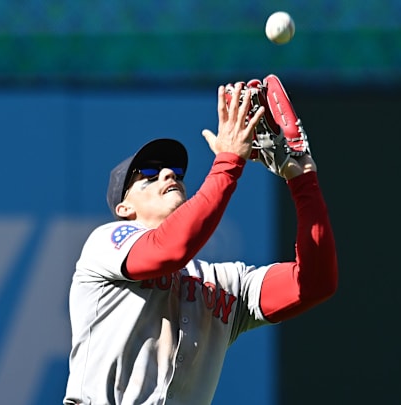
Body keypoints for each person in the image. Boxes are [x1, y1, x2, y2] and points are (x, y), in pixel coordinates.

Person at [63, 82, 338, 405]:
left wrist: (302, 179)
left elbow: (314, 283)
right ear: (124, 209)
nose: (168, 174)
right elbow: (169, 251)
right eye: (148, 174)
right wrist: (228, 162)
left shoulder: (225, 282)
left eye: (175, 170)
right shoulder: (106, 243)